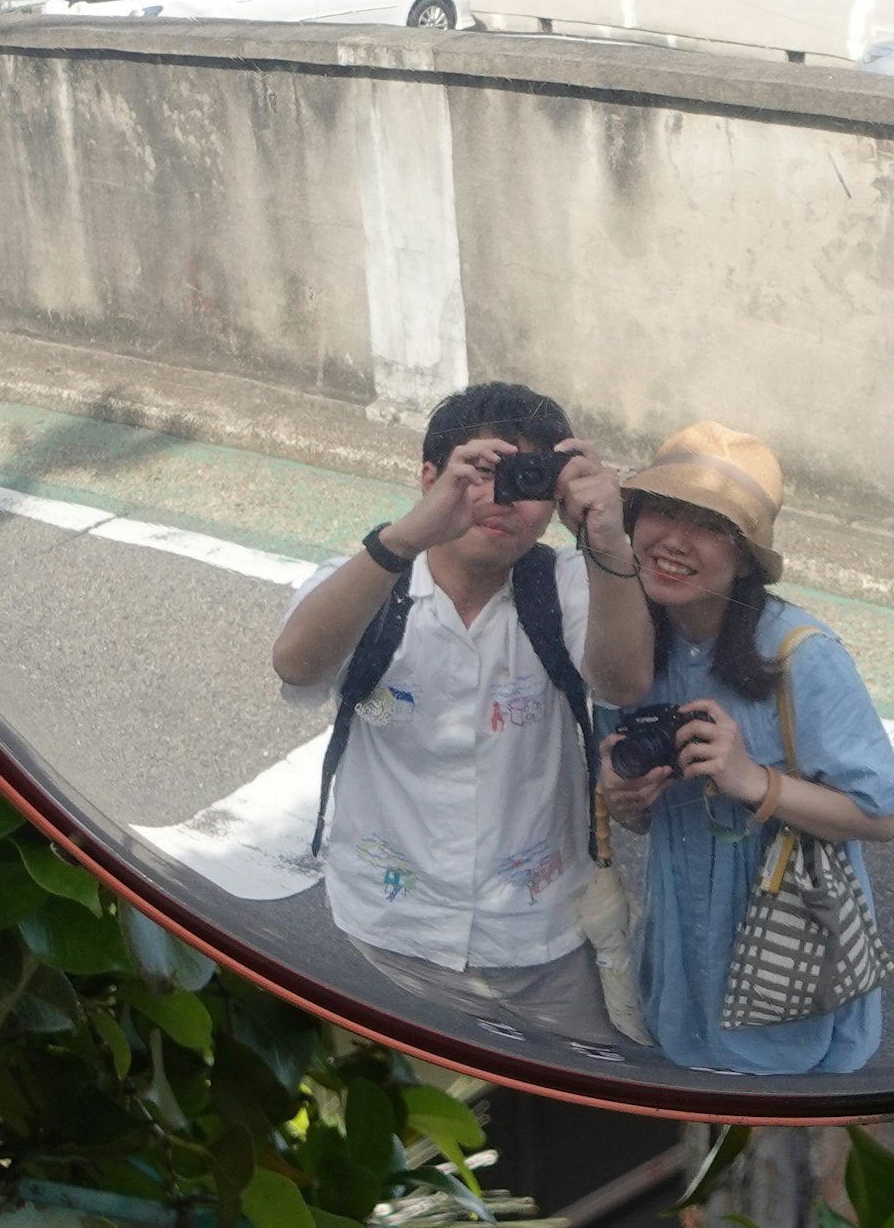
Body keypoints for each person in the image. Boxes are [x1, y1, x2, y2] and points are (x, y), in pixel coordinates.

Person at [268, 381, 653, 1049]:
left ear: (557, 494)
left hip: (540, 944)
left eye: (526, 480)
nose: (501, 500)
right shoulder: (366, 586)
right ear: (428, 478)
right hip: (387, 937)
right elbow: (296, 664)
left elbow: (623, 680)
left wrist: (609, 545)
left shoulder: (564, 586)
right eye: (479, 474)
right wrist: (406, 537)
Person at [598, 421, 894, 1075]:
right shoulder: (627, 646)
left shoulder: (800, 654)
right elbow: (636, 814)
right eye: (662, 511)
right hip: (678, 950)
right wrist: (626, 799)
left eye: (708, 526)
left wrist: (753, 781)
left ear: (744, 557)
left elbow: (885, 815)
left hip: (784, 947)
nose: (674, 540)